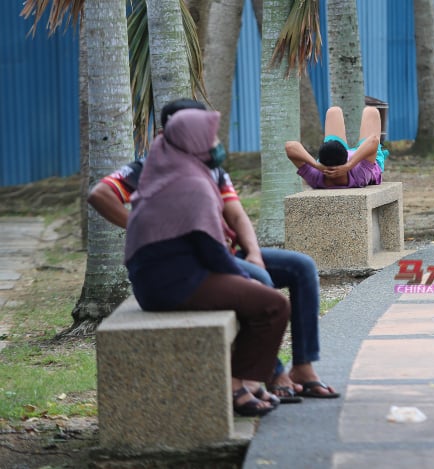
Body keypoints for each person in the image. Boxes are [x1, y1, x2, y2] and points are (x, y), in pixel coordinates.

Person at [88, 98, 340, 401]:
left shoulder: (210, 167)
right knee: (259, 285)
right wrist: (144, 229)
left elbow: (235, 213)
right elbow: (100, 194)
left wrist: (254, 253)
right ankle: (272, 373)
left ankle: (304, 366)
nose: (213, 139)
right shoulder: (149, 167)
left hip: (217, 252)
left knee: (301, 267)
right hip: (191, 262)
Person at [124, 108, 290, 417]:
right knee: (273, 305)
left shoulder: (167, 170)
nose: (216, 143)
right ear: (193, 141)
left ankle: (242, 381)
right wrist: (244, 277)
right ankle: (239, 384)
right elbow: (211, 247)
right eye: (210, 137)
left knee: (256, 296)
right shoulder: (191, 183)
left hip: (158, 280)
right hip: (176, 284)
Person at [285, 105, 389, 188]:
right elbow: (373, 140)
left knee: (333, 111)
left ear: (320, 161)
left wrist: (316, 166)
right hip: (362, 157)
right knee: (371, 111)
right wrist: (350, 165)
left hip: (341, 157)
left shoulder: (315, 176)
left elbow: (290, 147)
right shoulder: (360, 175)